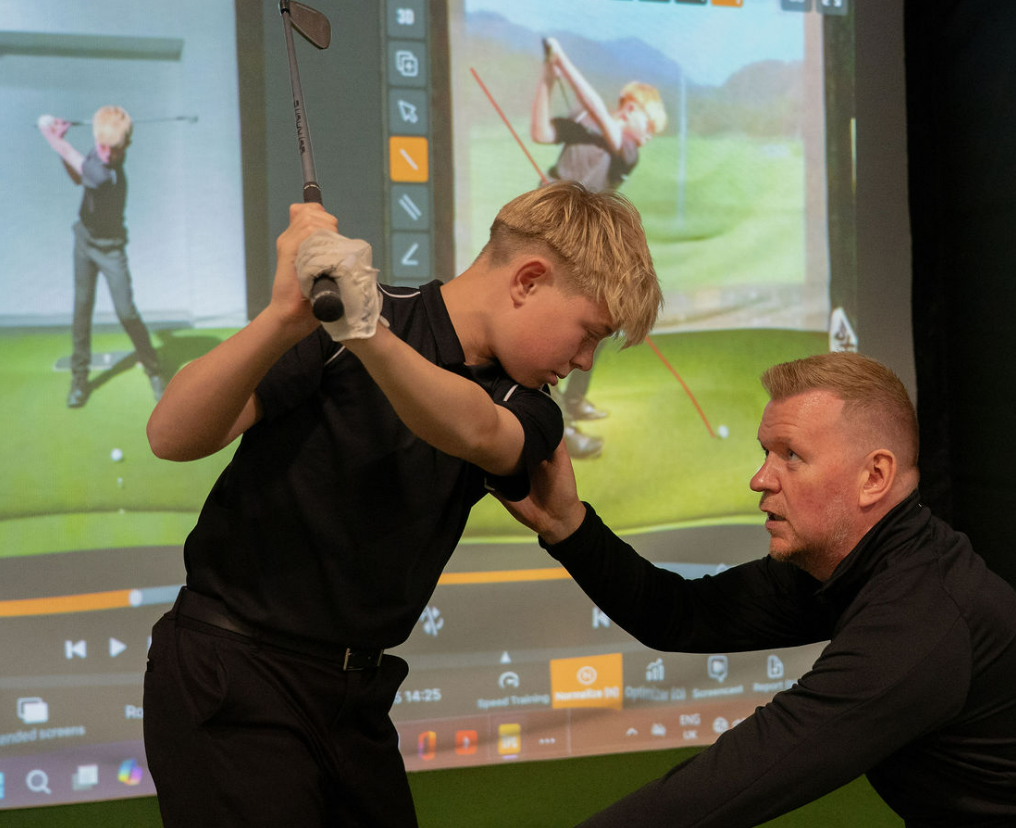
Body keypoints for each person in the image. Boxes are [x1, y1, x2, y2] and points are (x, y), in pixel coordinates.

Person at [142, 180, 661, 827]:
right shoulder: (346, 321)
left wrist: (366, 335)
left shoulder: (524, 402)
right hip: (232, 674)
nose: (582, 361)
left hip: (354, 701)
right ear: (528, 280)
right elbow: (172, 435)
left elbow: (474, 431)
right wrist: (282, 320)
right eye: (589, 334)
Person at [503, 352, 1016, 826]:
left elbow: (736, 783)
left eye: (790, 455)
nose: (761, 479)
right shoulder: (853, 565)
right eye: (765, 453)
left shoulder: (922, 620)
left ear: (874, 476)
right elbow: (681, 616)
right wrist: (568, 525)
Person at [531, 36, 667, 459]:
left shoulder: (626, 149)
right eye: (648, 126)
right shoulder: (593, 122)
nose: (647, 137)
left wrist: (565, 63)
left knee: (602, 319)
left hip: (584, 236)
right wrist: (548, 77)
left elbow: (599, 116)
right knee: (553, 327)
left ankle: (571, 404)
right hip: (549, 227)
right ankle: (559, 427)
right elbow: (539, 132)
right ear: (630, 109)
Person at [38, 105, 165, 408]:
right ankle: (79, 378)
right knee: (82, 310)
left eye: (114, 148)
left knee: (126, 312)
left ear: (126, 146)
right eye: (102, 146)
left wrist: (52, 135)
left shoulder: (110, 174)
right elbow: (76, 176)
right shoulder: (97, 156)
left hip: (111, 249)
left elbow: (80, 166)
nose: (106, 153)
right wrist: (61, 146)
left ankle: (155, 370)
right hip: (84, 242)